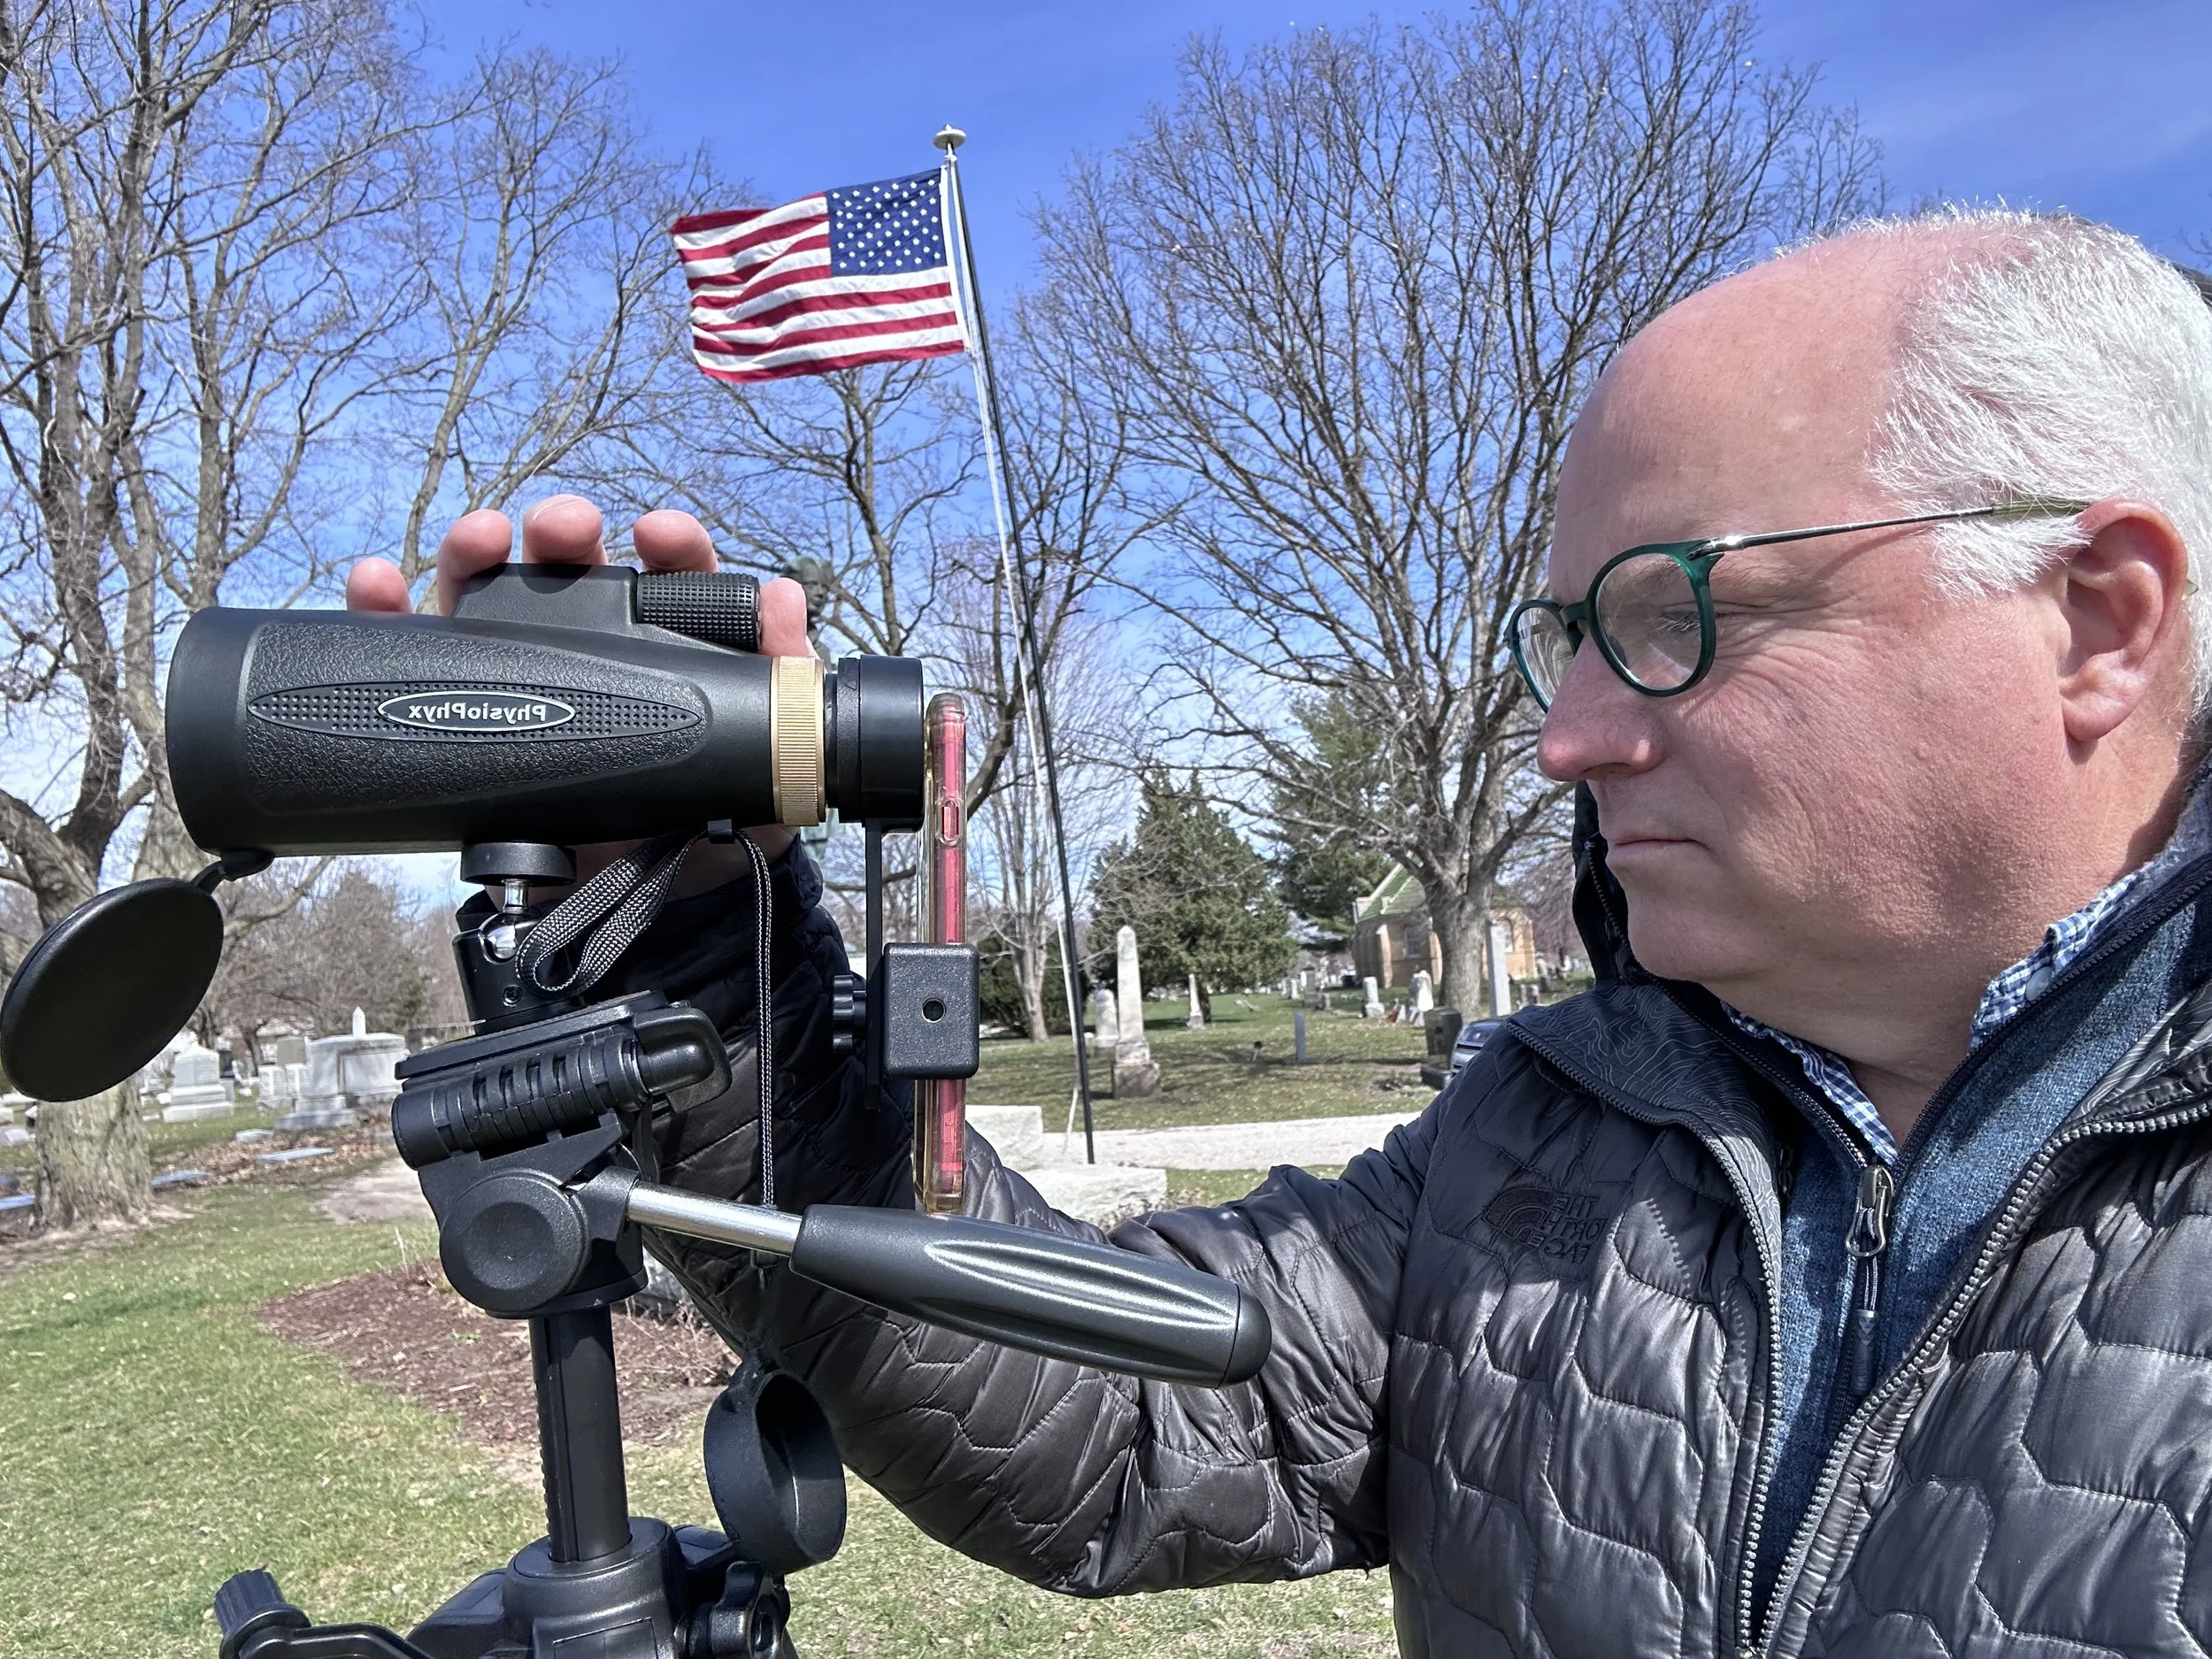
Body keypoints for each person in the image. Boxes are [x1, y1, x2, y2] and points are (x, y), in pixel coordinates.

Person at [349, 210, 2212, 1657]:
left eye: (1663, 612)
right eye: (1559, 633)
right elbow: (1109, 1423)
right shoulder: (1548, 1134)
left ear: (2096, 620)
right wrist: (691, 939)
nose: (1564, 734)